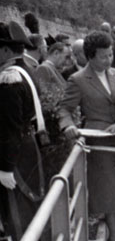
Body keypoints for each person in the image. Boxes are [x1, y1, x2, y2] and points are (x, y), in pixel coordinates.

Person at [58, 30, 115, 241]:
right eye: (103, 56)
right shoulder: (78, 80)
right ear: (90, 56)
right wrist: (68, 127)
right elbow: (64, 109)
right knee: (110, 192)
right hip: (98, 143)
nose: (108, 60)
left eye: (110, 55)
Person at [0, 21, 45, 241]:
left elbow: (10, 129)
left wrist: (6, 167)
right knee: (28, 209)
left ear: (6, 50)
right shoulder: (27, 70)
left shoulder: (8, 79)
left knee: (18, 213)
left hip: (16, 154)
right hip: (28, 148)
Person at [35, 42, 73, 181]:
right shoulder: (44, 69)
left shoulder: (53, 69)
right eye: (66, 56)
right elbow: (45, 99)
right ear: (56, 53)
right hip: (52, 128)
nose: (68, 61)